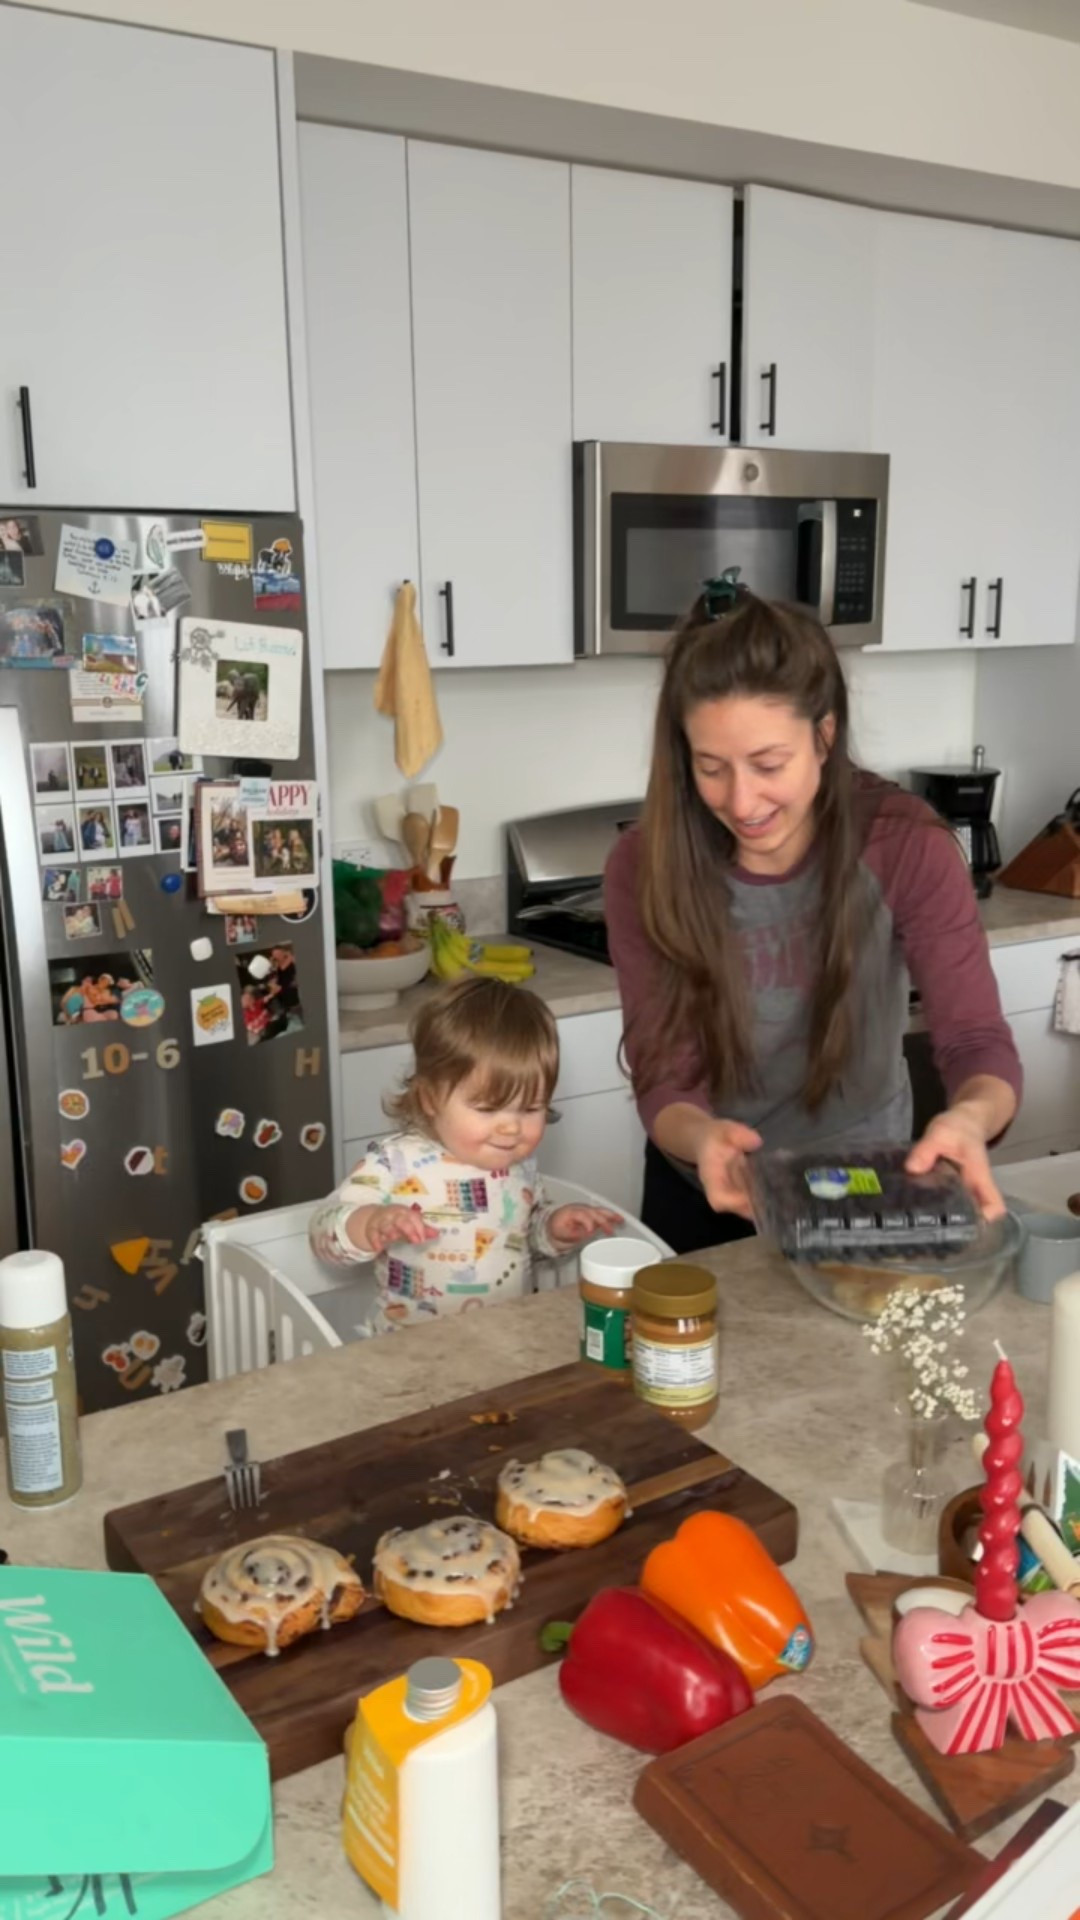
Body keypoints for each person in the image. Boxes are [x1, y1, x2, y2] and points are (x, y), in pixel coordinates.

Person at [604, 577, 1022, 1255]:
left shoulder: (904, 845)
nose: (742, 801)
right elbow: (666, 1079)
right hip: (710, 1193)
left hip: (870, 1189)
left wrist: (971, 1117)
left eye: (769, 763)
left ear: (825, 734)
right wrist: (704, 1138)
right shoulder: (643, 865)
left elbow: (977, 1040)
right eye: (711, 767)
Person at [309, 977, 622, 1332]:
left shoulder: (517, 1166)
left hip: (504, 1340)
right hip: (410, 1352)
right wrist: (368, 1223)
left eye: (531, 1108)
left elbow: (522, 1237)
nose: (511, 1128)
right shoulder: (394, 1161)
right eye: (489, 1108)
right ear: (429, 1098)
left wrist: (553, 1227)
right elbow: (323, 1230)